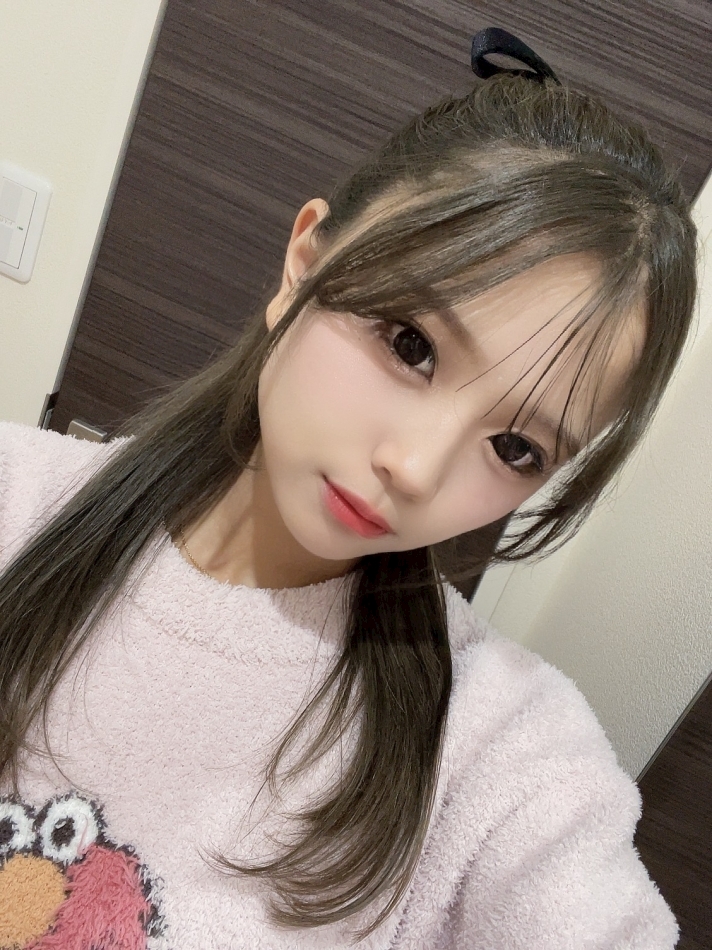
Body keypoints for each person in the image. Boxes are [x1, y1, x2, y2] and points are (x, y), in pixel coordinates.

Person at [0, 28, 697, 950]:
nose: (416, 468)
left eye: (515, 448)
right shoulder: (17, 498)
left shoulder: (498, 748)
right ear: (305, 262)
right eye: (412, 345)